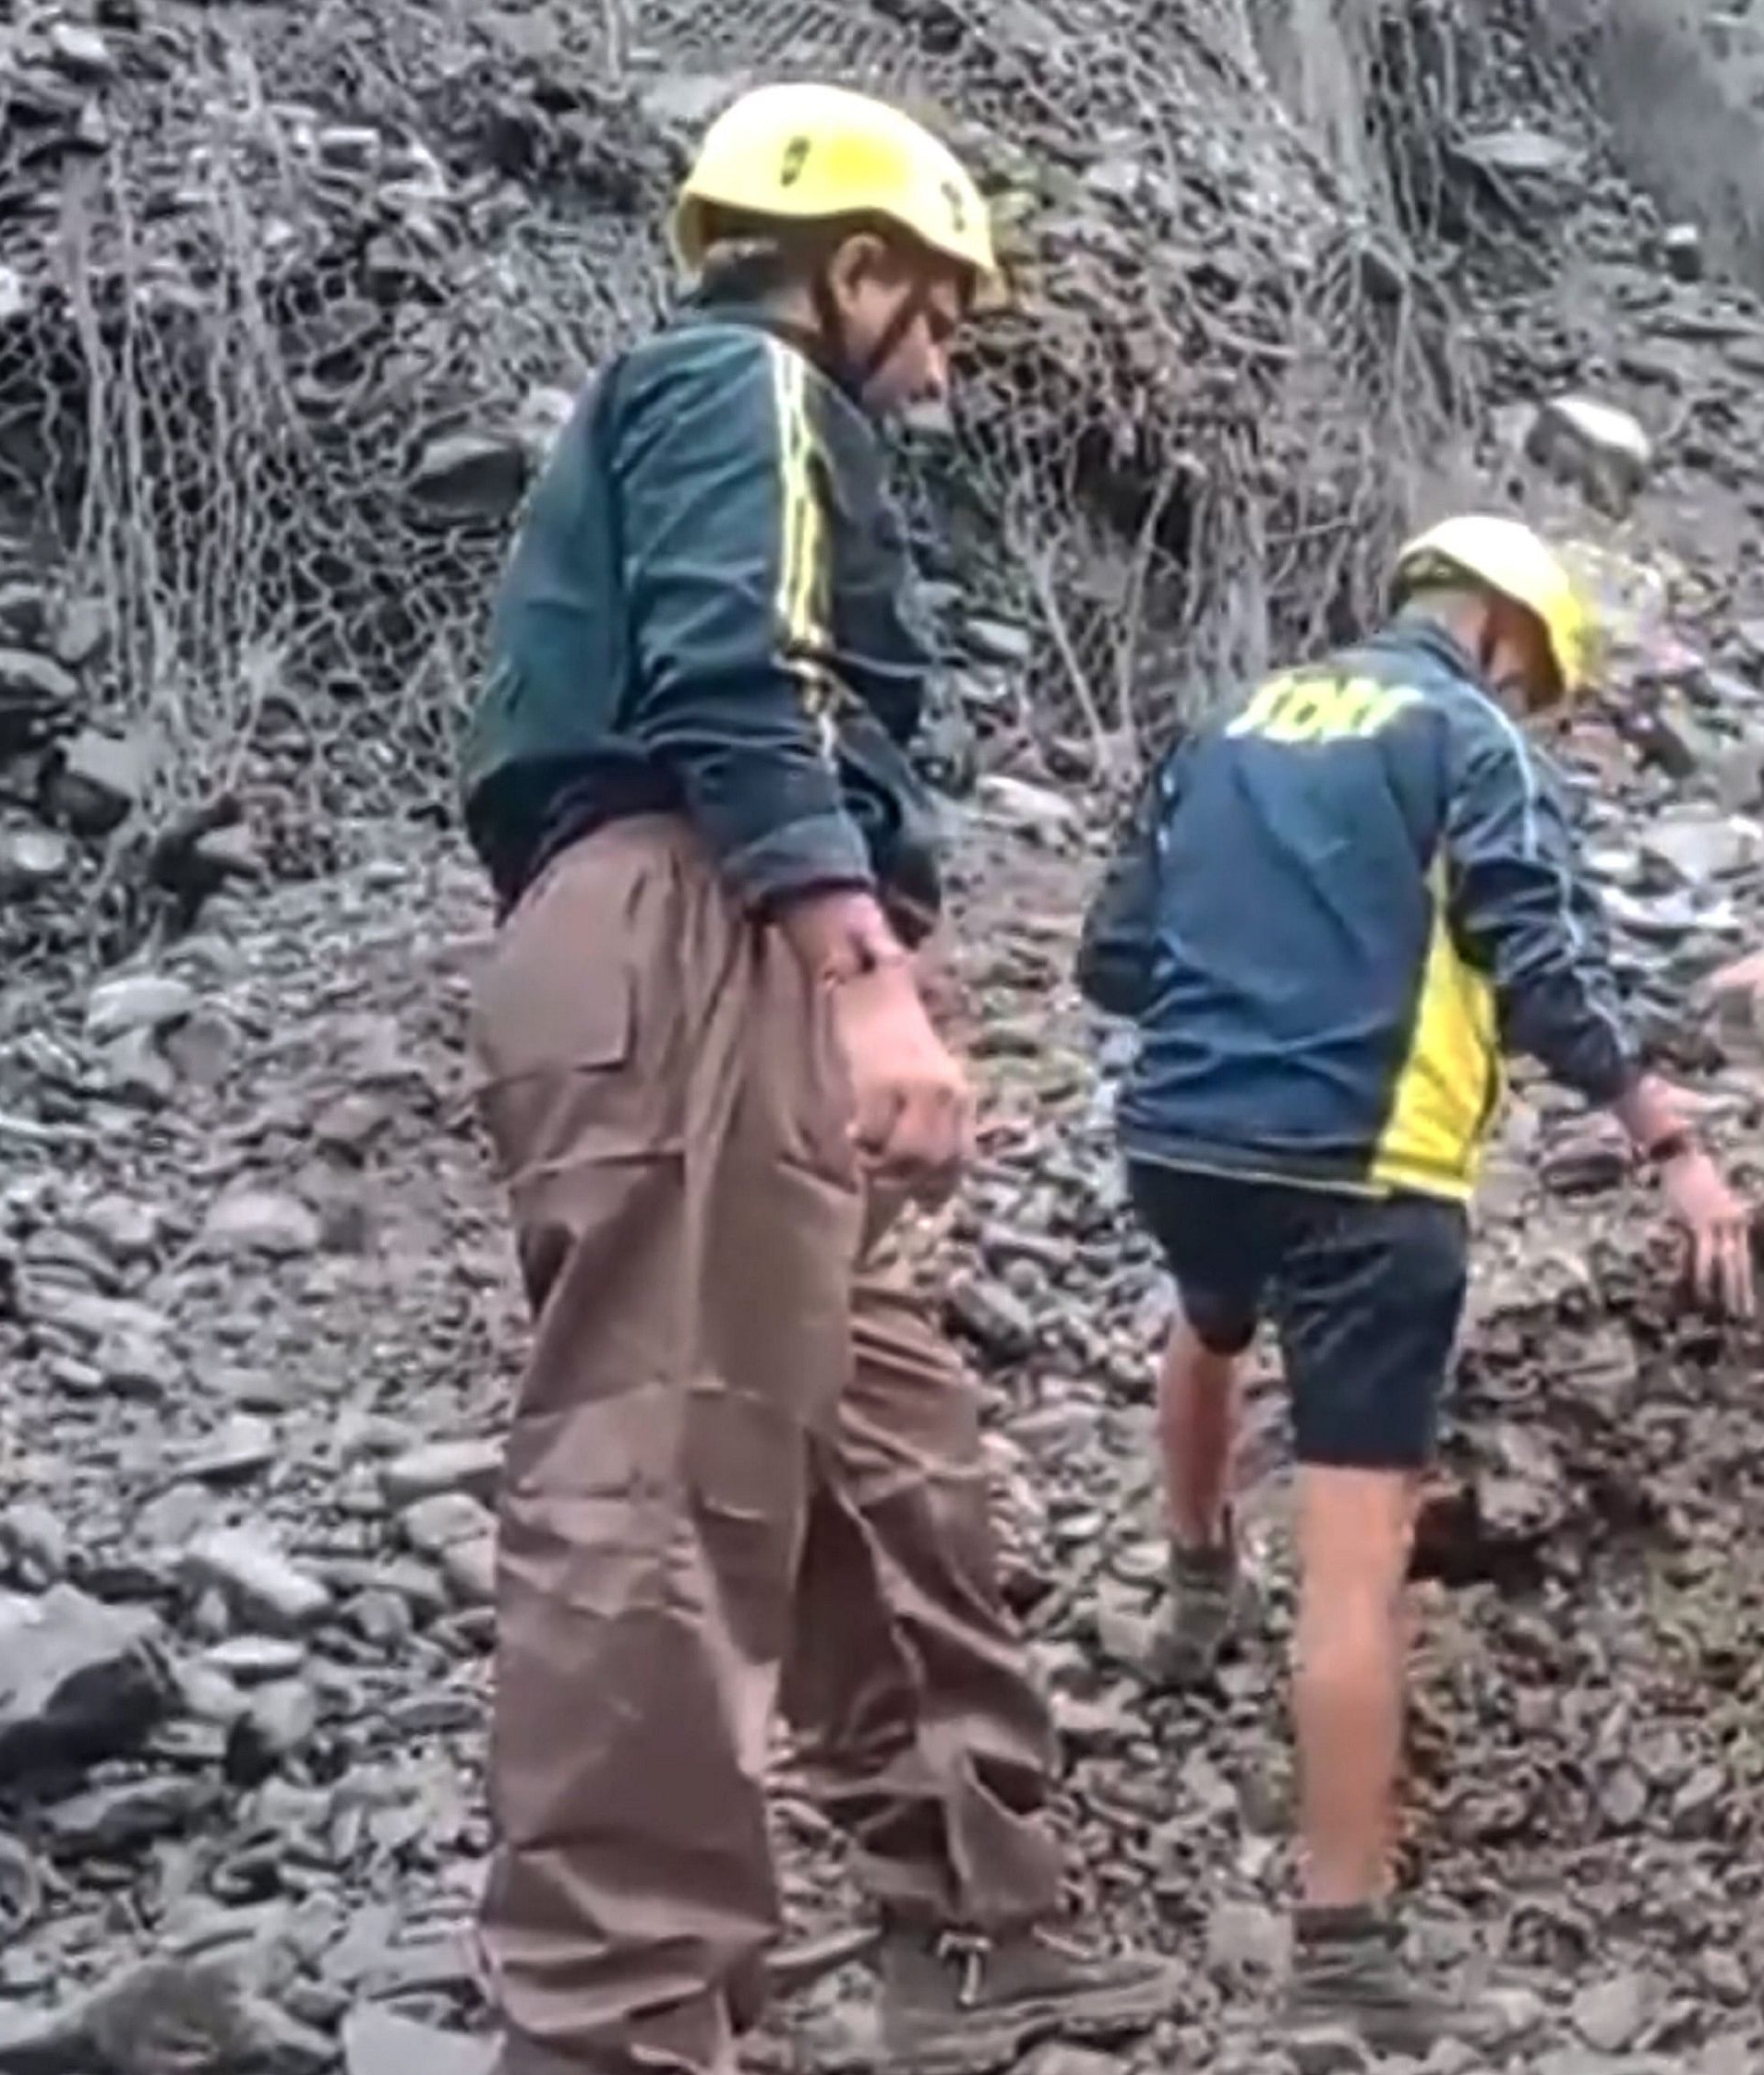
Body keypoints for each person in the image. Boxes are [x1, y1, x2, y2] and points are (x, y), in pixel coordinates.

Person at [455, 83, 1175, 2075]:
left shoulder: (766, 409)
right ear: (851, 267)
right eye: (932, 313)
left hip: (728, 940)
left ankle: (965, 1911)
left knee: (878, 1448)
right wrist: (857, 972)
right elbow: (739, 672)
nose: (937, 363)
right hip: (700, 926)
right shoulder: (742, 387)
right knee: (660, 1479)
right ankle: (611, 2024)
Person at [1075, 515, 1757, 2052]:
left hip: (1182, 1139)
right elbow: (1545, 962)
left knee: (1210, 1308)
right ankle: (1343, 1946)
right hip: (1366, 1176)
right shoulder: (1468, 736)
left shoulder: (1230, 724)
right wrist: (1668, 1136)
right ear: (1514, 634)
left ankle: (1192, 1584)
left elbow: (1115, 960)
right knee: (1353, 1558)